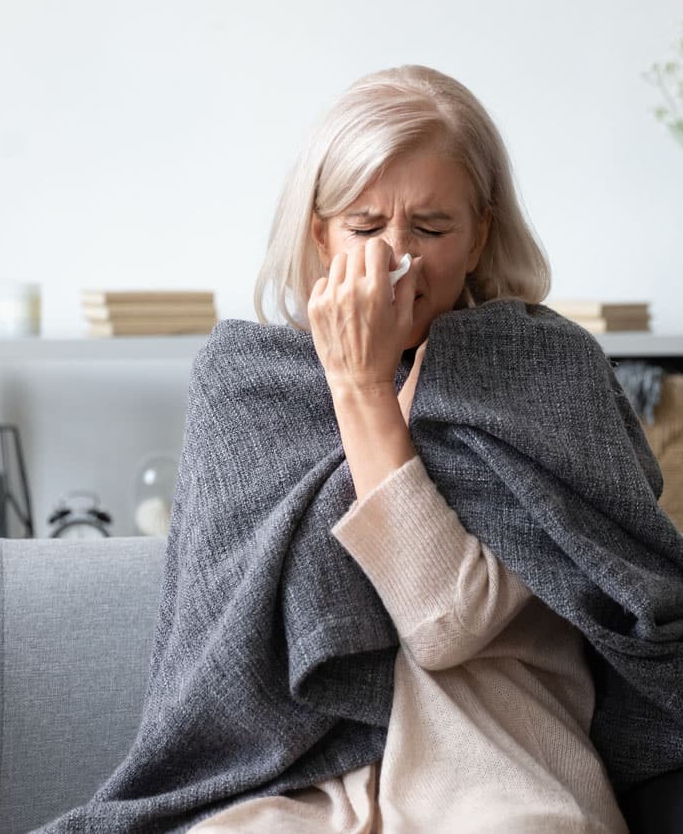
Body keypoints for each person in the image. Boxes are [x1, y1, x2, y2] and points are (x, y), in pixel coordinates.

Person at [187, 64, 630, 833]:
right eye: (365, 227)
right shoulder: (245, 384)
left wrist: (360, 387)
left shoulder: (548, 374)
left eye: (431, 229)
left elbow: (447, 622)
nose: (396, 259)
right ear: (320, 233)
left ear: (481, 234)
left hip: (499, 773)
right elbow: (215, 659)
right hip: (296, 782)